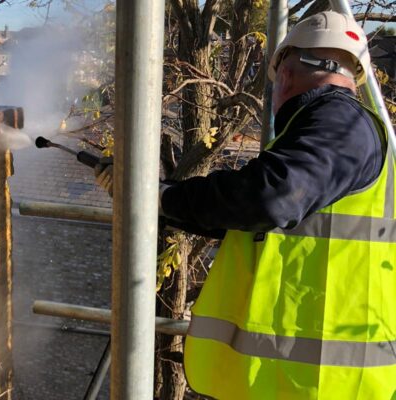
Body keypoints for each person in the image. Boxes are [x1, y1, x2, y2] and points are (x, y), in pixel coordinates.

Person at [96, 11, 396, 399]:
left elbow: (268, 199)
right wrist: (158, 197)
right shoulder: (338, 129)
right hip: (304, 379)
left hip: (319, 384)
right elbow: (251, 218)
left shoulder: (338, 122)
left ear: (285, 73)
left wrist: (160, 196)